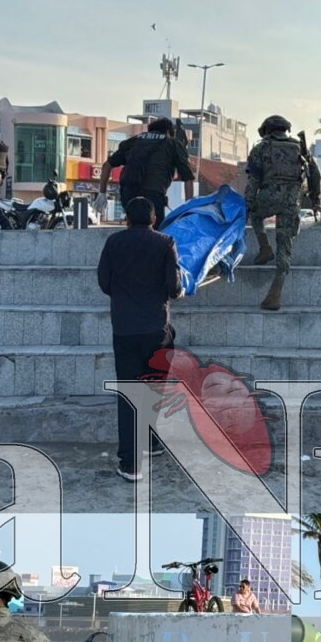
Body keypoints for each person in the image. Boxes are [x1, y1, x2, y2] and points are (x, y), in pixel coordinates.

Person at [96, 195, 182, 483]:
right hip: (157, 329)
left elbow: (104, 283)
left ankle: (131, 464)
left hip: (124, 329)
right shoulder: (165, 242)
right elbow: (173, 286)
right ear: (154, 219)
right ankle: (152, 442)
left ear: (127, 219)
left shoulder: (113, 243)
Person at [245, 115, 321, 312]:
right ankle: (275, 295)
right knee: (285, 248)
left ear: (267, 130)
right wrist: (316, 201)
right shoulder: (299, 148)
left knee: (256, 214)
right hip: (292, 202)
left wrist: (249, 203)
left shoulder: (261, 148)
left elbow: (253, 180)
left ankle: (264, 247)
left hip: (268, 196)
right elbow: (315, 174)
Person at [99, 117, 194, 225]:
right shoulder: (172, 143)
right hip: (153, 195)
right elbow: (188, 178)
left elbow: (107, 165)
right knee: (154, 234)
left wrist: (102, 193)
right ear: (168, 132)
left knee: (133, 229)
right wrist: (188, 208)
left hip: (128, 193)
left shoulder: (134, 140)